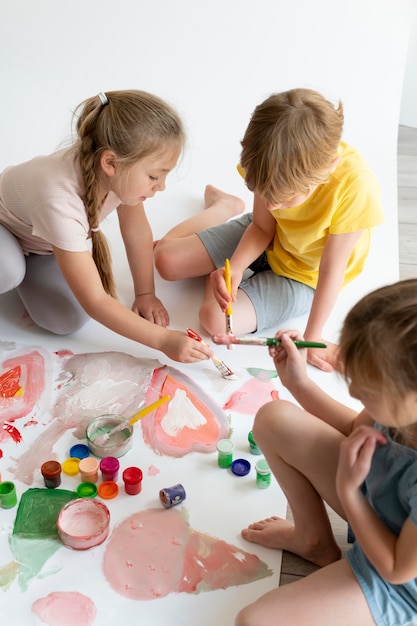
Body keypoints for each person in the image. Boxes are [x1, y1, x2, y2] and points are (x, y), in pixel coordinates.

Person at [154, 88, 384, 372]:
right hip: (269, 239)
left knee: (213, 319)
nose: (272, 204)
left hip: (304, 277)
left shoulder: (355, 186)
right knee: (165, 259)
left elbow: (331, 270)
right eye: (264, 193)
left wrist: (312, 339)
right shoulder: (269, 163)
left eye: (285, 198)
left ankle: (218, 244)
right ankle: (223, 207)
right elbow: (263, 225)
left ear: (329, 168)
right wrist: (235, 267)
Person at [231, 278, 417, 626]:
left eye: (368, 388)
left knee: (252, 621)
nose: (356, 391)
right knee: (274, 419)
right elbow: (353, 429)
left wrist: (349, 490)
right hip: (376, 503)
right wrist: (298, 384)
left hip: (400, 581)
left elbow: (395, 568)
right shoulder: (400, 403)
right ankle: (312, 539)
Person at [0, 90, 212, 364]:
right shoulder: (58, 201)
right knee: (8, 270)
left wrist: (145, 294)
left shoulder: (117, 177)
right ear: (110, 162)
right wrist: (164, 341)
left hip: (39, 242)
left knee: (66, 321)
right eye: (153, 176)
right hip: (6, 228)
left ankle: (24, 267)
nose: (161, 187)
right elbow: (96, 301)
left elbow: (136, 231)